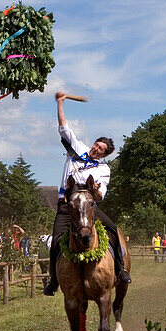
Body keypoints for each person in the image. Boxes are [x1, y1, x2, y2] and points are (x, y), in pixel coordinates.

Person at [43, 91, 127, 296]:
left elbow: (101, 196)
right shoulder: (77, 147)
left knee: (114, 230)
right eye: (96, 145)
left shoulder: (103, 170)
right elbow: (63, 127)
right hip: (66, 206)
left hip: (89, 208)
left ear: (104, 155)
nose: (96, 149)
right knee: (55, 242)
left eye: (101, 150)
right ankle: (53, 280)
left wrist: (96, 192)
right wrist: (60, 103)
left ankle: (121, 269)